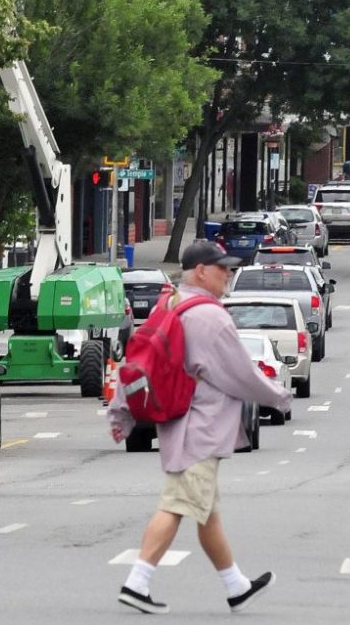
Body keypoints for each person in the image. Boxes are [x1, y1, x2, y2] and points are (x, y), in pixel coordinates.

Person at [108, 239, 293, 615]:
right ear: (200, 272)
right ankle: (137, 582)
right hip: (202, 429)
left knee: (207, 512)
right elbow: (240, 373)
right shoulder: (211, 317)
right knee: (176, 505)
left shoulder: (169, 304)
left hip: (181, 426)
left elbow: (138, 358)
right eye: (221, 267)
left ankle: (236, 585)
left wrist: (121, 411)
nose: (228, 274)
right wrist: (280, 396)